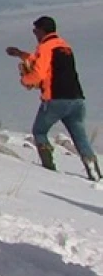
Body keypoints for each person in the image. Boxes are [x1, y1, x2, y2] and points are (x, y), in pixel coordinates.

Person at [6, 16, 100, 180]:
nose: (34, 33)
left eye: (35, 30)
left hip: (56, 100)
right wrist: (21, 54)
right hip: (77, 100)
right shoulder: (64, 45)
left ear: (42, 30)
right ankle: (93, 170)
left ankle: (49, 169)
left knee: (39, 131)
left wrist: (25, 80)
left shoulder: (45, 48)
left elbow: (39, 72)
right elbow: (44, 62)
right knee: (80, 137)